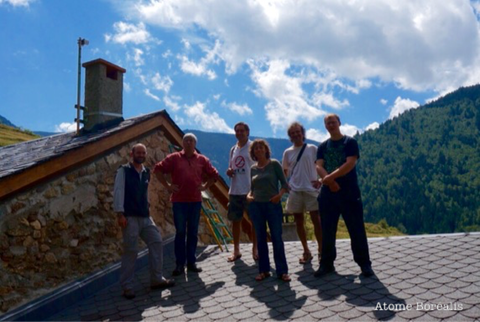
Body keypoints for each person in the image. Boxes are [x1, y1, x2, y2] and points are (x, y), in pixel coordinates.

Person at [314, 114, 374, 277]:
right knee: (327, 229)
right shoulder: (322, 146)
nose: (331, 125)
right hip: (328, 193)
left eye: (333, 122)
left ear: (339, 123)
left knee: (356, 229)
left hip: (349, 192)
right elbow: (318, 166)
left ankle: (364, 264)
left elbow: (350, 163)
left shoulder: (350, 142)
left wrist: (329, 178)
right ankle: (326, 264)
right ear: (325, 126)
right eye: (328, 123)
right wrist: (330, 182)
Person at [113, 143, 175, 300]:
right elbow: (119, 191)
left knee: (156, 241)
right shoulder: (124, 171)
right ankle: (127, 286)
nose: (141, 155)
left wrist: (148, 207)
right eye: (138, 153)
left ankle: (156, 279)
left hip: (145, 217)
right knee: (131, 251)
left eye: (143, 153)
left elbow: (145, 193)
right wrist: (120, 214)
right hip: (130, 217)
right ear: (132, 154)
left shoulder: (147, 172)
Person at [154, 133, 219, 276]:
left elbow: (215, 175)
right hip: (179, 201)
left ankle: (191, 262)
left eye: (191, 141)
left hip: (195, 201)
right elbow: (157, 169)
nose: (188, 143)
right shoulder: (174, 158)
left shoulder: (202, 160)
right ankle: (179, 264)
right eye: (186, 141)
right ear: (182, 143)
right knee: (181, 233)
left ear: (195, 144)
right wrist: (168, 185)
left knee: (193, 233)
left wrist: (205, 186)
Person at [247, 139, 290, 282]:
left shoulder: (274, 164)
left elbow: (285, 185)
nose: (258, 150)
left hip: (272, 205)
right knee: (260, 238)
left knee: (276, 237)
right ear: (253, 152)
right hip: (256, 206)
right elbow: (252, 189)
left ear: (266, 150)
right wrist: (248, 196)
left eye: (261, 147)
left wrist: (279, 196)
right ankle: (264, 270)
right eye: (256, 148)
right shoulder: (252, 168)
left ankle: (282, 271)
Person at [282, 122, 322, 264]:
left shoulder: (312, 149)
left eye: (297, 132)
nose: (295, 135)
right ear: (290, 136)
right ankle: (306, 251)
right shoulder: (287, 152)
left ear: (302, 133)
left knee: (317, 221)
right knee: (299, 222)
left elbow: (321, 166)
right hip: (295, 191)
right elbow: (284, 172)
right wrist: (284, 185)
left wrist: (321, 180)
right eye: (292, 133)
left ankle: (321, 250)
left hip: (311, 190)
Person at [226, 122, 258, 262]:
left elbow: (260, 166)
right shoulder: (233, 149)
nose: (239, 133)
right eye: (237, 131)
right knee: (235, 221)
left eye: (241, 131)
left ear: (247, 132)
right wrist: (229, 171)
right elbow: (231, 167)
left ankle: (255, 248)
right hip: (235, 190)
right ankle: (236, 250)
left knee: (255, 221)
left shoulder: (253, 147)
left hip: (250, 190)